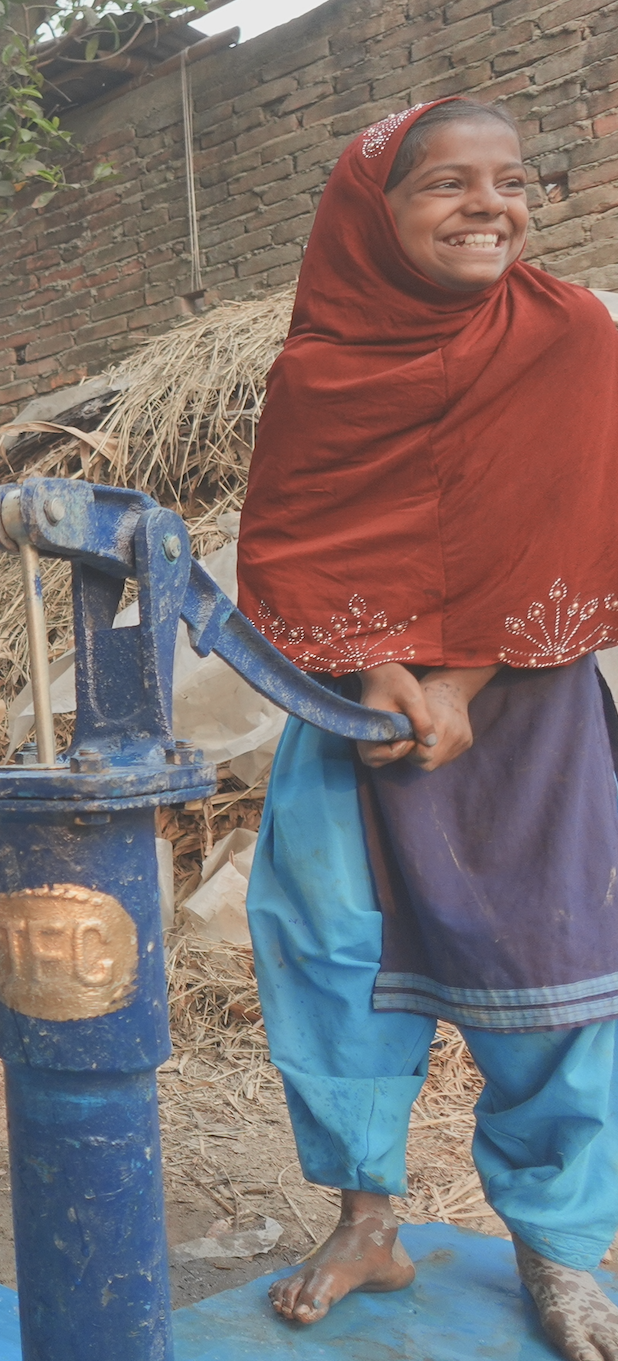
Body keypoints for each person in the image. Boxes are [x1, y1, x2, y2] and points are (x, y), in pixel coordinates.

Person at [237, 97, 618, 1360]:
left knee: (558, 971)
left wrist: (459, 680)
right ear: (371, 210)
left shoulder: (570, 337)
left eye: (509, 181)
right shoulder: (318, 369)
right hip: (354, 706)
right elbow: (298, 544)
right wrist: (378, 667)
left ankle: (559, 1250)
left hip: (530, 699)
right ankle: (366, 1220)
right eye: (447, 184)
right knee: (331, 950)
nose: (488, 207)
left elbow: (568, 525)